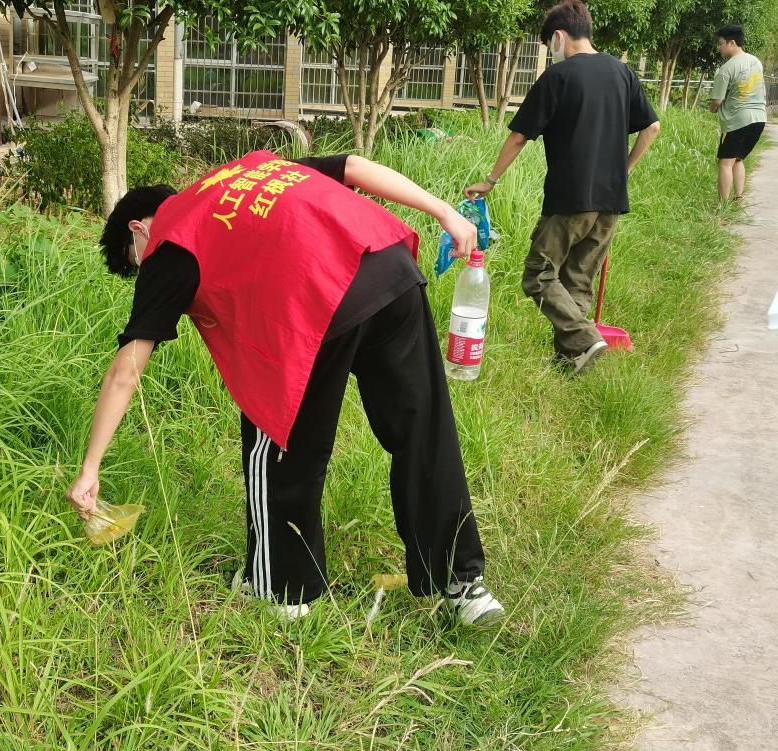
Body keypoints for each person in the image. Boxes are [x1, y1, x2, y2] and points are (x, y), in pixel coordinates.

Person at [65, 150, 506, 626]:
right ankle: (465, 585)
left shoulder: (170, 240)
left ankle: (282, 589)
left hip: (318, 300)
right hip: (389, 269)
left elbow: (125, 371)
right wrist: (444, 212)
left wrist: (89, 470)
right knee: (424, 429)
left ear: (138, 228)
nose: (144, 268)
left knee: (275, 441)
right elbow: (354, 167)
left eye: (135, 261)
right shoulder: (251, 169)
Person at [465, 0, 660, 374]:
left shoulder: (557, 77)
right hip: (611, 200)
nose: (549, 51)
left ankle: (586, 339)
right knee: (577, 282)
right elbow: (651, 127)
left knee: (538, 275)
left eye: (547, 45)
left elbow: (519, 136)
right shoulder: (622, 72)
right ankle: (571, 361)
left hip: (571, 198)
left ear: (558, 37)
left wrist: (490, 180)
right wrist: (624, 170)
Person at [711, 24, 768, 202]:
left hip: (738, 121)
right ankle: (738, 198)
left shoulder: (726, 68)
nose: (719, 47)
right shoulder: (756, 61)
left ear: (732, 43)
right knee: (737, 159)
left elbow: (717, 101)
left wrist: (712, 108)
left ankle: (723, 205)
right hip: (759, 119)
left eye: (721, 43)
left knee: (725, 163)